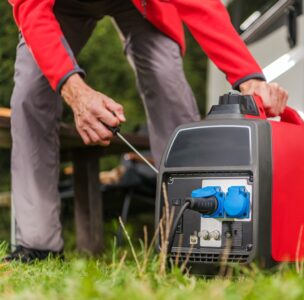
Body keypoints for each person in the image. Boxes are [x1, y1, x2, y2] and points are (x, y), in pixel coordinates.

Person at [4, 0, 288, 262]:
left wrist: (248, 78)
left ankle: (196, 232)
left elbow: (201, 5)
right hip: (58, 6)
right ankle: (38, 243)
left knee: (165, 77)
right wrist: (75, 91)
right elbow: (31, 10)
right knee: (30, 93)